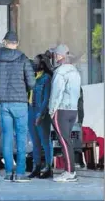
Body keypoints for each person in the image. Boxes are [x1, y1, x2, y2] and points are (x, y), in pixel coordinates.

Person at [0, 31, 36, 182]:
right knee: (21, 138)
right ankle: (20, 172)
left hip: (4, 104)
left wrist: (0, 95)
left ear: (4, 41)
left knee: (7, 137)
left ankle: (9, 172)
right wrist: (24, 91)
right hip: (20, 103)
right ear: (16, 43)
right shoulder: (23, 58)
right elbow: (32, 83)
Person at [49, 44, 81, 182]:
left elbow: (56, 93)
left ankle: (69, 172)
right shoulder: (75, 71)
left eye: (55, 54)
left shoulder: (60, 72)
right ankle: (70, 171)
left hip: (61, 110)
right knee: (67, 141)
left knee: (64, 141)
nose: (54, 56)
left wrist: (51, 110)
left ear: (59, 55)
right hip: (72, 110)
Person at [28, 54, 54, 179]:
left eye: (36, 62)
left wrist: (41, 114)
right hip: (30, 111)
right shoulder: (33, 77)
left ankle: (49, 167)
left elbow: (46, 98)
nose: (34, 64)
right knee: (35, 142)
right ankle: (36, 167)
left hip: (41, 112)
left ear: (42, 64)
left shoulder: (46, 78)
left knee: (45, 141)